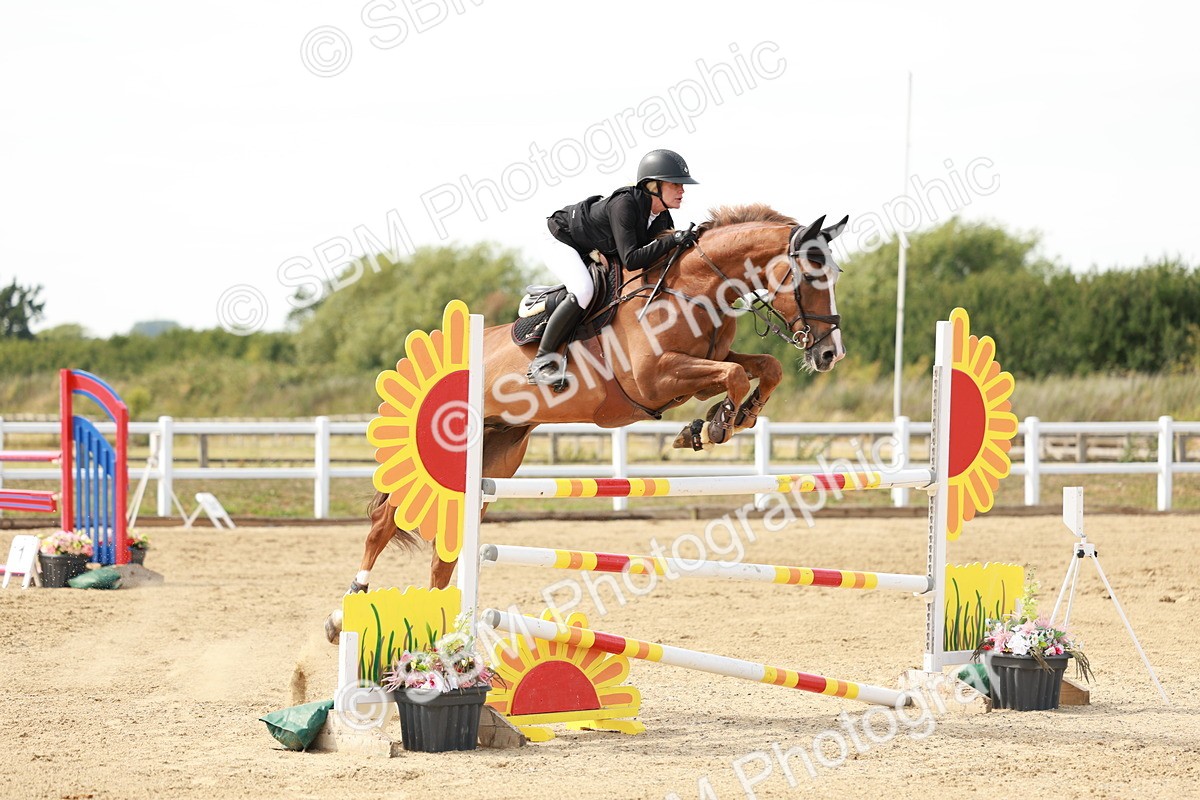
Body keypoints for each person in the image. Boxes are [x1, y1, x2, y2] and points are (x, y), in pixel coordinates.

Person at [527, 149, 700, 385]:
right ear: (652, 186)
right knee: (583, 290)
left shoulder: (662, 216)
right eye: (675, 184)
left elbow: (660, 257)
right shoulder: (625, 204)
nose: (682, 190)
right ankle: (541, 362)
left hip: (591, 244)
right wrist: (672, 239)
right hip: (559, 238)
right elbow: (631, 259)